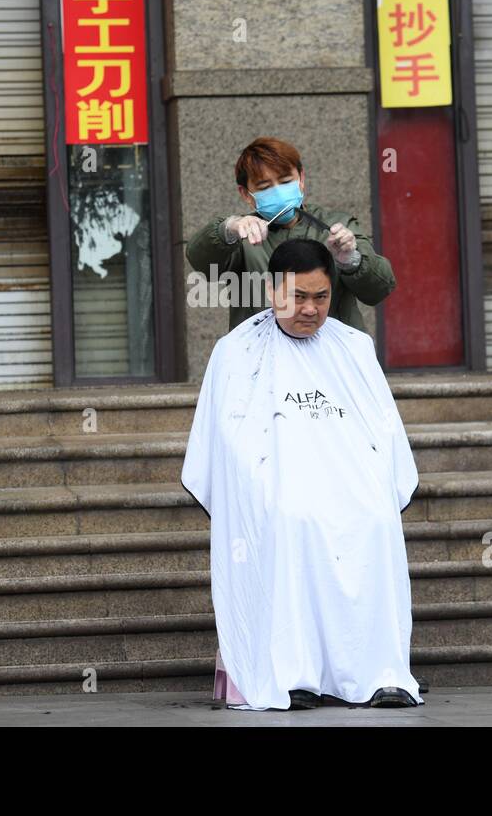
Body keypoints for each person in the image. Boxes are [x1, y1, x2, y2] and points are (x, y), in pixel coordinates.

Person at [180, 238, 423, 711]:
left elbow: (383, 429)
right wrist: (266, 486)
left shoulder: (354, 347)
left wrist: (368, 483)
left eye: (321, 297)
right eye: (297, 296)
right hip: (277, 487)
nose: (310, 310)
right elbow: (226, 440)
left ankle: (378, 673)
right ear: (272, 291)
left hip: (349, 486)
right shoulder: (235, 352)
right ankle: (293, 674)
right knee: (289, 518)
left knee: (375, 520)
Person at [185, 137, 397, 334]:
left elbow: (378, 289)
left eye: (286, 181)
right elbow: (201, 259)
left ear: (301, 178)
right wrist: (228, 228)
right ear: (245, 194)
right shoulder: (241, 235)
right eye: (265, 187)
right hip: (262, 356)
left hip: (331, 356)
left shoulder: (336, 225)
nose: (278, 191)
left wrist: (352, 260)